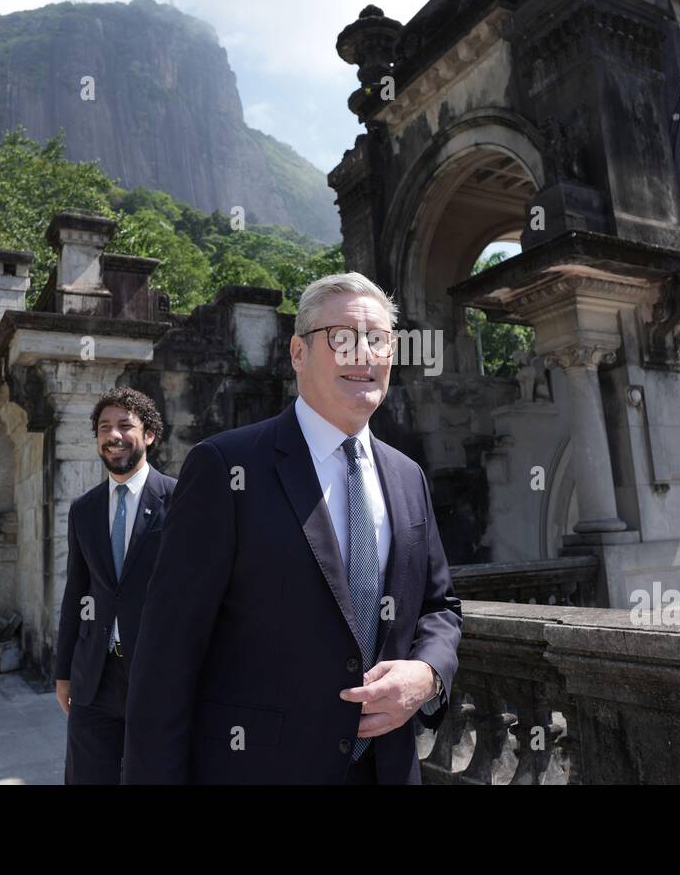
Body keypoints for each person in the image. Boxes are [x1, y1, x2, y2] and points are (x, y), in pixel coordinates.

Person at [124, 273, 462, 784]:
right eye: (342, 337)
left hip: (388, 770)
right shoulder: (225, 467)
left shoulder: (407, 476)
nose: (363, 354)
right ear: (298, 353)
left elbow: (440, 607)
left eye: (378, 339)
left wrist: (429, 674)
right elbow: (166, 656)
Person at [54, 386, 176, 784]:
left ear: (150, 434)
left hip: (158, 673)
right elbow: (76, 593)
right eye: (105, 427)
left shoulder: (180, 500)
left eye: (125, 425)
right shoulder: (83, 509)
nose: (114, 435)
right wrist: (63, 672)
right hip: (95, 675)